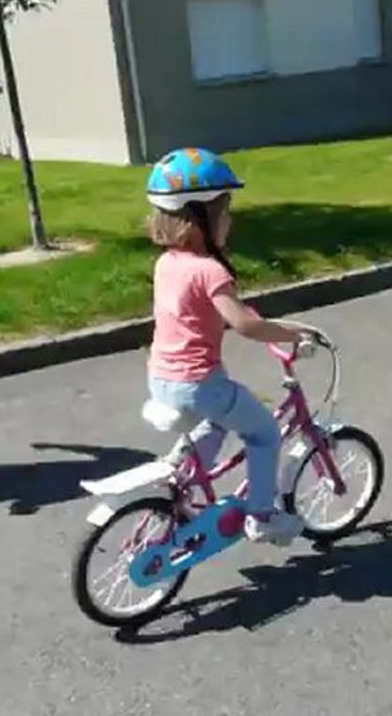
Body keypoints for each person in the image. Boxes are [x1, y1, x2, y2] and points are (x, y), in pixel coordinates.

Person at [145, 147, 309, 546]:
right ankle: (262, 517)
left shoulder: (167, 262)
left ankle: (182, 468)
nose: (229, 220)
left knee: (217, 419)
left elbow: (192, 313)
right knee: (265, 433)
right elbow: (244, 324)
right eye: (225, 211)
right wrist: (294, 333)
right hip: (200, 383)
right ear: (200, 218)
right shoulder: (209, 270)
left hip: (161, 379)